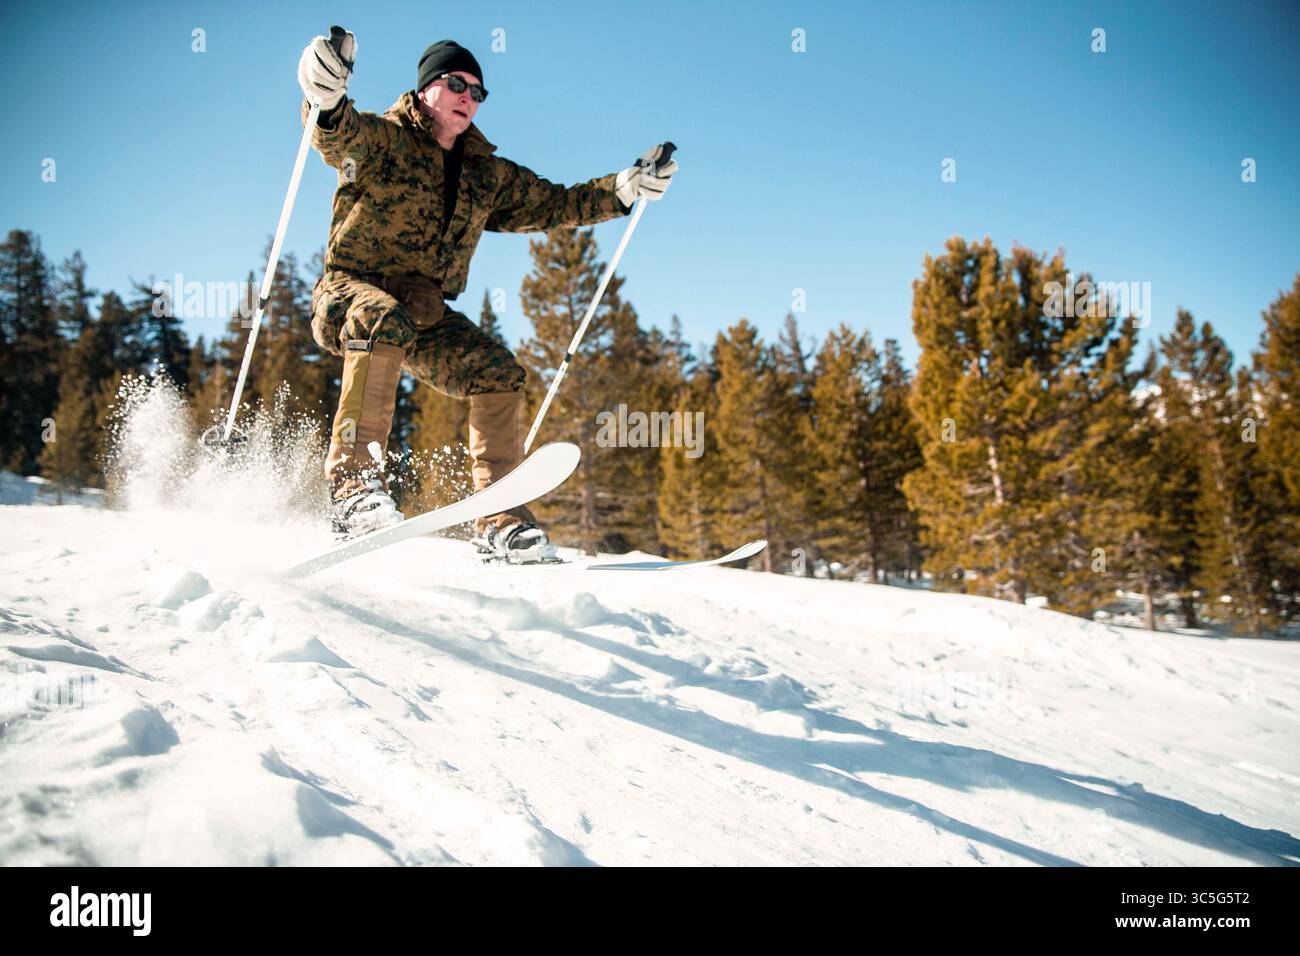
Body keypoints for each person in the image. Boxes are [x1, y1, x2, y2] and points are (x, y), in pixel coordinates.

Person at [296, 30, 677, 560]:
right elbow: (339, 137)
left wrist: (623, 188)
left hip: (424, 313)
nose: (468, 98)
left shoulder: (483, 173)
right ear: (427, 86)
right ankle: (354, 488)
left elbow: (553, 203)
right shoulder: (386, 139)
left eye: (478, 92)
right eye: (457, 84)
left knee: (497, 369)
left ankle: (499, 516)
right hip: (350, 292)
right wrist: (327, 97)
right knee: (381, 316)